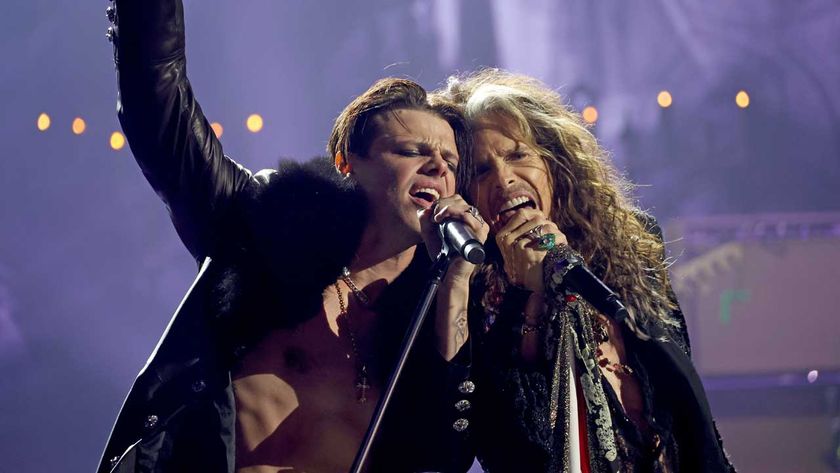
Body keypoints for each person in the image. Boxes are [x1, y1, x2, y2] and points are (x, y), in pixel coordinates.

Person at [98, 1, 487, 472]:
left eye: (449, 161)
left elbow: (444, 452)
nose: (438, 168)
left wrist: (456, 284)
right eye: (412, 151)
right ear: (348, 163)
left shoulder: (440, 302)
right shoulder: (262, 226)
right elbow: (158, 111)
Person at [438, 69, 735, 472]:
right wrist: (530, 295)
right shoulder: (471, 295)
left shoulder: (632, 247)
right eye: (481, 171)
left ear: (553, 163)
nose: (504, 180)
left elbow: (684, 393)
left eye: (517, 154)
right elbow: (513, 445)